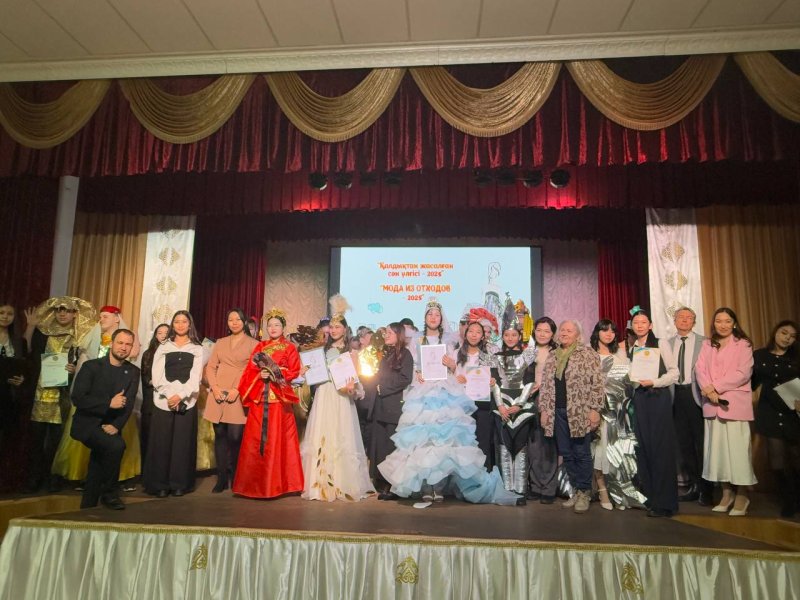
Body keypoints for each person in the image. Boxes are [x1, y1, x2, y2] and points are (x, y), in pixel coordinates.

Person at [378, 302, 523, 507]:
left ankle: (439, 486)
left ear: (441, 318)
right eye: (430, 314)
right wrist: (417, 373)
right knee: (424, 440)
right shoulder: (417, 339)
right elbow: (413, 364)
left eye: (437, 314)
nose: (433, 317)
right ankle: (426, 486)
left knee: (444, 440)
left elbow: (457, 365)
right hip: (423, 390)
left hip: (444, 390)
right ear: (425, 317)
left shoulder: (451, 340)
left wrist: (452, 366)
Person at [51, 305, 142, 488]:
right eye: (100, 317)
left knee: (115, 444)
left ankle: (108, 485)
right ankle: (91, 481)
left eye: (106, 316)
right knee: (102, 445)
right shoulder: (94, 343)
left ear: (117, 318)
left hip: (117, 406)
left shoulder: (128, 349)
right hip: (94, 404)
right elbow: (84, 375)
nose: (102, 320)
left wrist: (116, 423)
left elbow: (129, 379)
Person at [300, 296, 374, 502]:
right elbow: (313, 376)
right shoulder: (321, 351)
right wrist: (305, 373)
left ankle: (342, 483)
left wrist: (351, 388)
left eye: (337, 327)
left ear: (345, 329)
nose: (333, 330)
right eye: (331, 327)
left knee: (341, 437)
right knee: (322, 436)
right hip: (323, 396)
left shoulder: (351, 353)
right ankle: (319, 485)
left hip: (341, 400)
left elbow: (357, 387)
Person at [23, 297, 95, 492]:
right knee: (36, 440)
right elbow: (26, 350)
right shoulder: (43, 333)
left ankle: (52, 478)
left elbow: (87, 366)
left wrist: (74, 369)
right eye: (58, 310)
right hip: (40, 394)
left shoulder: (79, 338)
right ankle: (34, 479)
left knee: (56, 442)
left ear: (74, 314)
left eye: (67, 310)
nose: (62, 313)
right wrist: (30, 326)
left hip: (62, 396)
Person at [235, 308, 304, 499]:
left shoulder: (289, 348)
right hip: (260, 401)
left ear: (283, 327)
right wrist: (260, 374)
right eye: (270, 325)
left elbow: (294, 370)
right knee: (256, 442)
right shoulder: (260, 347)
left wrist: (276, 372)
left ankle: (280, 485)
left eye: (277, 325)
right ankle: (253, 486)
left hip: (279, 402)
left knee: (278, 441)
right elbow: (249, 371)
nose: (273, 328)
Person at [695, 307, 756, 516]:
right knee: (718, 453)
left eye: (727, 321)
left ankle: (742, 495)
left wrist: (714, 387)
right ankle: (726, 493)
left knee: (738, 452)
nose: (723, 325)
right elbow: (699, 369)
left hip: (734, 405)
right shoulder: (707, 344)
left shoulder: (743, 344)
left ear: (734, 323)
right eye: (719, 321)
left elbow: (743, 373)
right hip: (712, 406)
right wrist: (707, 389)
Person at [539, 320, 604, 514]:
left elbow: (597, 383)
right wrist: (544, 410)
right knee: (566, 453)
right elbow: (546, 386)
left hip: (580, 411)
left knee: (581, 452)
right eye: (562, 330)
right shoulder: (553, 355)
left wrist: (595, 409)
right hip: (557, 411)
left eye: (569, 330)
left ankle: (585, 492)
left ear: (578, 335)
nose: (564, 333)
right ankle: (576, 490)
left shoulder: (588, 354)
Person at [70, 329, 139, 509]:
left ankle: (89, 503)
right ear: (111, 343)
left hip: (111, 426)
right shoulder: (91, 367)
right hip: (87, 424)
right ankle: (109, 494)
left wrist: (117, 425)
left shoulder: (133, 371)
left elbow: (129, 403)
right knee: (116, 446)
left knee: (99, 458)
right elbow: (78, 398)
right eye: (120, 343)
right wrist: (108, 403)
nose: (124, 348)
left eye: (128, 344)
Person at [144, 310, 204, 497]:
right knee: (161, 442)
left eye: (184, 321)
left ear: (190, 324)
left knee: (182, 443)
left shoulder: (197, 348)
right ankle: (160, 484)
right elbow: (157, 374)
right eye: (177, 321)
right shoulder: (164, 346)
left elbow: (196, 377)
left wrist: (181, 395)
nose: (180, 325)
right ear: (172, 324)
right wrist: (170, 395)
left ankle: (179, 483)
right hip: (163, 400)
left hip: (187, 400)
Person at [627, 309, 680, 517]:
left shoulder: (661, 343)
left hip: (658, 397)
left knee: (661, 449)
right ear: (632, 326)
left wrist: (654, 382)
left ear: (650, 325)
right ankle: (651, 498)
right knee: (643, 448)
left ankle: (665, 503)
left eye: (643, 322)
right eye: (636, 322)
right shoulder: (633, 348)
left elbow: (674, 373)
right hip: (640, 399)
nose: (639, 325)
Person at [589, 319, 646, 510]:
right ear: (597, 332)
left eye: (612, 331)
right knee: (599, 451)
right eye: (604, 330)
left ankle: (620, 492)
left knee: (619, 453)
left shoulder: (621, 354)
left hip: (620, 413)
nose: (608, 334)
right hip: (598, 411)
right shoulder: (589, 355)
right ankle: (603, 491)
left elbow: (632, 381)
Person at [204, 309, 259, 493]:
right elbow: (211, 367)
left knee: (235, 437)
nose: (234, 322)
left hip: (238, 393)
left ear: (244, 322)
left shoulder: (253, 344)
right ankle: (221, 478)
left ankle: (235, 475)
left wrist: (237, 389)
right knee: (219, 435)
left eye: (238, 319)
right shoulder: (220, 342)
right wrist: (215, 388)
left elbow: (252, 371)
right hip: (218, 393)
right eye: (230, 319)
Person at [753, 320, 800, 517]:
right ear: (775, 332)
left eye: (792, 336)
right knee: (777, 461)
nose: (787, 338)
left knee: (796, 458)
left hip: (793, 413)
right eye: (784, 332)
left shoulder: (797, 357)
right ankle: (788, 500)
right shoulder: (760, 355)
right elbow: (751, 383)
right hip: (770, 411)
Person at [491, 296, 537, 494]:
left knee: (520, 445)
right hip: (501, 407)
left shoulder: (527, 356)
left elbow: (529, 382)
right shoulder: (496, 357)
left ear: (519, 336)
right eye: (506, 335)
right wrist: (501, 406)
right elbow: (494, 383)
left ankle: (520, 489)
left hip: (522, 408)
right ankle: (506, 489)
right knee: (503, 446)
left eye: (513, 335)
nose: (510, 338)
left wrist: (519, 404)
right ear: (502, 336)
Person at [669, 307, 712, 506]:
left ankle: (707, 488)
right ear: (674, 320)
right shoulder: (667, 343)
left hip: (697, 396)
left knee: (701, 443)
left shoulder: (705, 342)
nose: (685, 320)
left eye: (689, 318)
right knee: (684, 444)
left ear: (694, 322)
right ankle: (694, 485)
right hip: (675, 396)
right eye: (681, 317)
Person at [369, 323, 413, 499]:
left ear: (398, 334)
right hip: (380, 406)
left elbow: (405, 378)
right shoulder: (386, 353)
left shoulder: (405, 354)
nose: (385, 335)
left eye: (389, 332)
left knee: (391, 446)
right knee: (380, 445)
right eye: (385, 332)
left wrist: (384, 388)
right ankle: (381, 482)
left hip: (394, 406)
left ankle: (393, 485)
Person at [139, 323, 169, 467]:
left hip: (168, 401)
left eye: (166, 333)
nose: (163, 335)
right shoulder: (148, 354)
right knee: (148, 436)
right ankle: (146, 470)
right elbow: (145, 378)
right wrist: (157, 382)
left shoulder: (174, 353)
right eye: (159, 333)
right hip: (151, 401)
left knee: (164, 439)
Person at [0, 302, 27, 452]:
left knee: (5, 437)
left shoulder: (19, 342)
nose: (5, 316)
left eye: (9, 314)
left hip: (8, 395)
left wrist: (22, 379)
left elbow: (25, 368)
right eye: (2, 313)